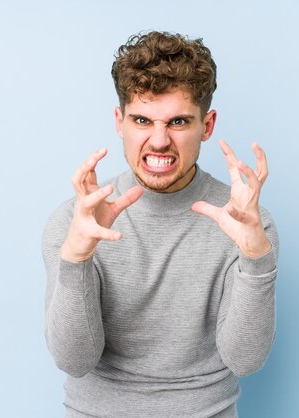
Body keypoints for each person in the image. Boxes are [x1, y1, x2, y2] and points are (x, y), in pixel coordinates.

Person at [42, 31, 279, 418]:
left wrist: (256, 258)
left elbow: (245, 361)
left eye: (179, 122)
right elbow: (75, 361)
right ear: (120, 122)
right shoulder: (75, 221)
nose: (158, 141)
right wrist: (76, 257)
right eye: (141, 120)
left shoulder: (249, 224)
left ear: (207, 125)